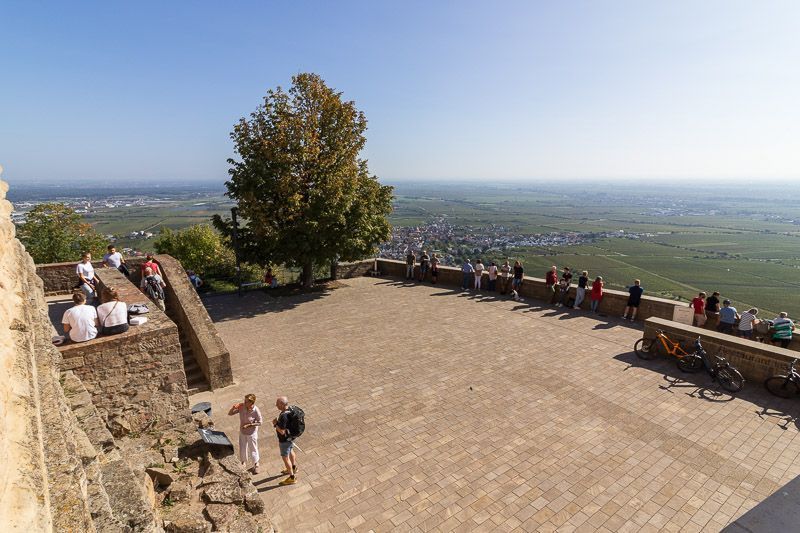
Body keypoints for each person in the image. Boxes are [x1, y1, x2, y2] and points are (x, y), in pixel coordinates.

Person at [229, 394, 262, 474]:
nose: (244, 402)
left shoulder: (256, 410)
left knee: (253, 448)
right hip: (242, 432)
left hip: (252, 433)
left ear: (251, 403)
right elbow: (230, 413)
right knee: (242, 447)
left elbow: (260, 422)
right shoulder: (241, 407)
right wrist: (234, 407)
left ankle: (256, 464)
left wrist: (250, 425)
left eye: (246, 401)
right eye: (244, 400)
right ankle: (243, 462)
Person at [273, 396, 298, 485]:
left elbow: (282, 432)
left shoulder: (283, 416)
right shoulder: (291, 410)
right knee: (291, 450)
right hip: (291, 437)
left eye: (277, 403)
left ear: (282, 404)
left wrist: (275, 424)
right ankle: (294, 467)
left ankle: (292, 477)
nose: (276, 405)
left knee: (285, 458)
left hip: (284, 440)